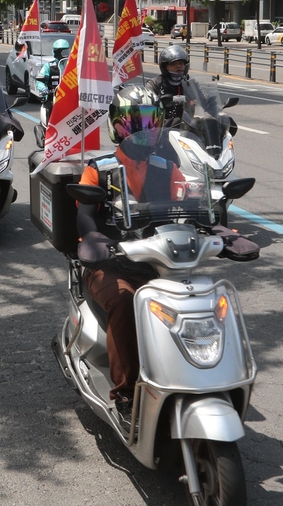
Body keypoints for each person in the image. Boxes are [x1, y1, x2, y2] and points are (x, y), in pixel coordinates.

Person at [76, 85, 188, 423]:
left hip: (158, 264)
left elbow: (190, 207)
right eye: (134, 123)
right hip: (110, 265)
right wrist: (94, 239)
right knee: (126, 301)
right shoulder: (100, 169)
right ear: (118, 125)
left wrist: (219, 229)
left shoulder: (167, 169)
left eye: (150, 122)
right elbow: (84, 213)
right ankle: (125, 394)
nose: (143, 130)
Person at [145, 45, 190, 127]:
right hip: (164, 129)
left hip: (189, 128)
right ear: (165, 66)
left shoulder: (190, 83)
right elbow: (148, 111)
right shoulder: (154, 84)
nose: (178, 66)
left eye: (181, 63)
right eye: (173, 64)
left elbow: (205, 99)